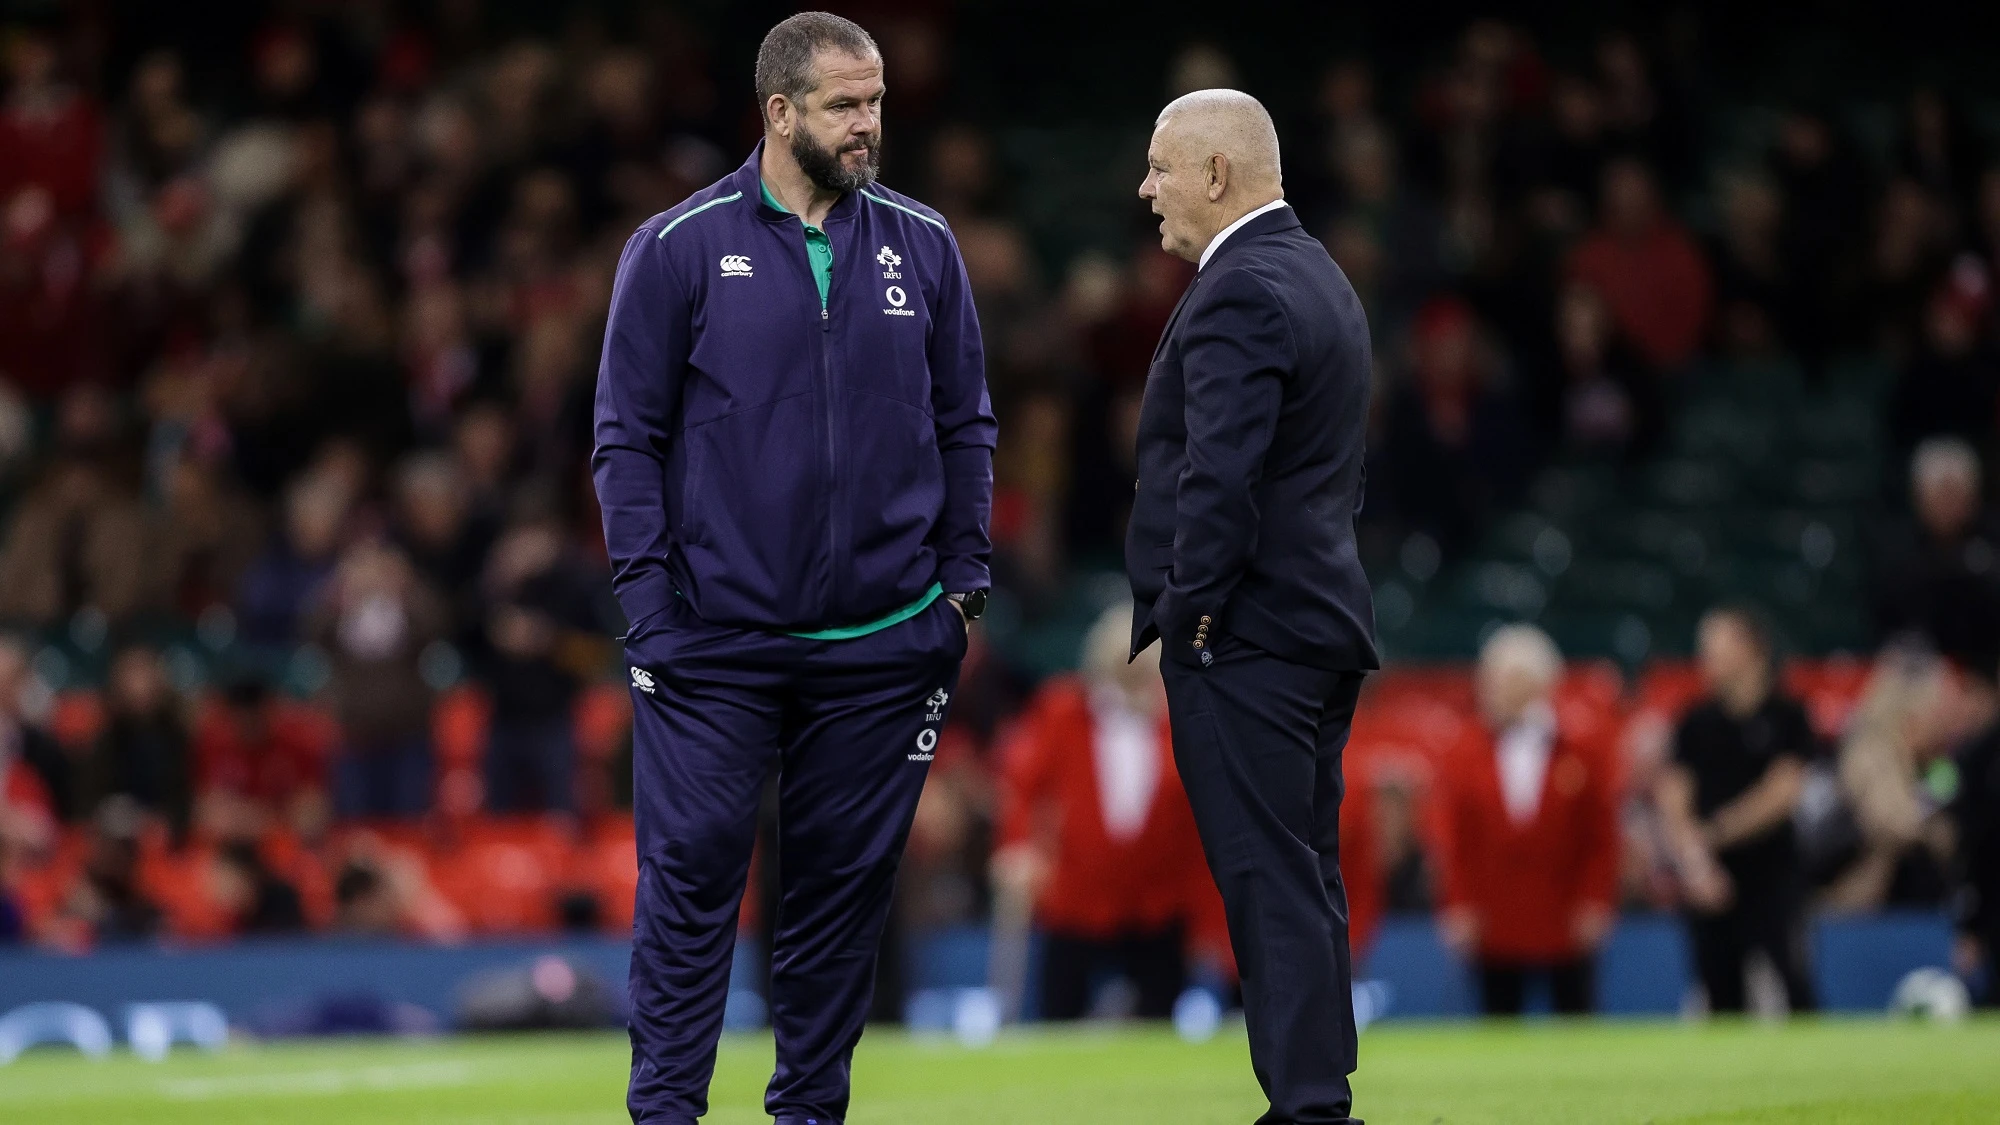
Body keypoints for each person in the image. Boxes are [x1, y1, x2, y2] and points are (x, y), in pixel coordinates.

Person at [591, 13, 994, 1125]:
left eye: (874, 104)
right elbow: (625, 437)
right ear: (778, 113)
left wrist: (958, 587)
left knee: (837, 906)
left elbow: (967, 423)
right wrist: (648, 608)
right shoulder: (675, 247)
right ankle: (666, 1113)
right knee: (691, 887)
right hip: (714, 641)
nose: (868, 126)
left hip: (881, 642)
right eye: (843, 107)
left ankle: (808, 1117)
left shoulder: (924, 243)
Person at [1128, 89, 1377, 1125]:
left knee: (1267, 878)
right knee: (1301, 875)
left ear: (1217, 175)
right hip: (1313, 623)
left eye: (1160, 166)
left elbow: (1216, 481)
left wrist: (1188, 619)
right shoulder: (1317, 276)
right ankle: (1321, 1094)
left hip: (1248, 638)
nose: (1146, 188)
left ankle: (1309, 1108)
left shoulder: (1240, 290)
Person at [991, 604, 1217, 1021]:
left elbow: (1196, 819)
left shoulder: (1182, 721)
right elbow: (1022, 784)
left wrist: (1206, 914)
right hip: (1077, 900)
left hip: (1158, 902)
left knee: (1157, 1023)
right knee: (1060, 1018)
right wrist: (1018, 845)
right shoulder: (1062, 712)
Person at [1433, 626, 1620, 1015]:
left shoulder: (1581, 749)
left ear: (1538, 683)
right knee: (1498, 1024)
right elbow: (1455, 840)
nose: (1492, 688)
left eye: (1505, 678)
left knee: (1576, 1022)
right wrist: (1458, 904)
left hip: (1564, 913)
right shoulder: (1464, 751)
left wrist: (1595, 901)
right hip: (1495, 916)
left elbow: (1600, 837)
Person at [1655, 605, 1819, 1014]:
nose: (1704, 656)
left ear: (1749, 649)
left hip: (1771, 871)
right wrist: (1696, 862)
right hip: (1708, 878)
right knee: (1719, 991)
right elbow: (1673, 795)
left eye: (1714, 646)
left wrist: (1714, 834)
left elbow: (1782, 792)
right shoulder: (1695, 721)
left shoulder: (1787, 715)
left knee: (1792, 981)